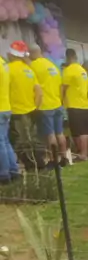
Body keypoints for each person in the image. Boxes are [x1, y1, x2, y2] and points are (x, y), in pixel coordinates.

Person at [8, 41, 45, 171]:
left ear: (12, 54)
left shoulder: (8, 69)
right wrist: (36, 107)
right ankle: (40, 164)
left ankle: (30, 166)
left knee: (21, 141)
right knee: (33, 139)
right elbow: (39, 92)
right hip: (32, 110)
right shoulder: (29, 70)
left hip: (16, 112)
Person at [29, 45, 68, 168]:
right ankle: (64, 158)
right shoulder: (52, 65)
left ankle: (53, 160)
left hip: (45, 105)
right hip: (57, 103)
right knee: (60, 133)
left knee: (50, 135)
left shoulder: (33, 66)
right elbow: (60, 85)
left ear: (31, 53)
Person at [61, 48, 88, 161]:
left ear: (68, 57)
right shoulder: (82, 70)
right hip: (84, 104)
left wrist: (60, 100)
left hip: (74, 105)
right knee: (86, 131)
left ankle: (83, 154)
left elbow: (63, 88)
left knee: (79, 132)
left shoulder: (69, 70)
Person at [0, 53, 20, 184]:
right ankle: (13, 170)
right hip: (6, 107)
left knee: (1, 142)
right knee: (5, 141)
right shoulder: (3, 62)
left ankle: (4, 174)